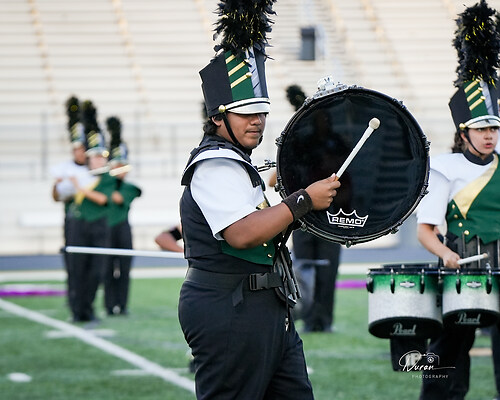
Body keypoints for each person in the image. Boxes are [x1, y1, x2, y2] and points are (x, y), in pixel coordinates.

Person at [177, 1, 340, 398]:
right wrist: (302, 200)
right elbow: (242, 234)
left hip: (265, 304)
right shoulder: (214, 164)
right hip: (229, 306)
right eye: (245, 112)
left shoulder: (237, 162)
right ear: (218, 116)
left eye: (261, 112)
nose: (257, 121)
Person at [416, 2, 500, 398]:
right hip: (460, 268)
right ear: (463, 132)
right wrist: (446, 255)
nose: (489, 135)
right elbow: (425, 231)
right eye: (481, 129)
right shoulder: (444, 168)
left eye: (494, 128)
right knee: (449, 354)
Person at [285, 84, 342, 333]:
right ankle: (306, 316)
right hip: (303, 214)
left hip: (332, 212)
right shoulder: (300, 142)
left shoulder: (337, 143)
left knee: (328, 269)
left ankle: (324, 320)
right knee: (303, 268)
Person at [67, 100, 117, 322]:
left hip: (99, 226)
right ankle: (78, 311)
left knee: (96, 271)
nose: (99, 160)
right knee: (77, 270)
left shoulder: (106, 178)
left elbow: (102, 199)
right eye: (95, 156)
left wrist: (79, 187)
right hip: (79, 225)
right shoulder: (80, 173)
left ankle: (88, 308)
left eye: (102, 156)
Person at [51, 96, 92, 317]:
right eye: (77, 149)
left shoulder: (93, 169)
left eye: (83, 149)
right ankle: (74, 302)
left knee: (91, 266)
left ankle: (87, 304)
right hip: (73, 220)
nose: (80, 153)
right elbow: (56, 196)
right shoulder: (64, 169)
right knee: (74, 264)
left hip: (92, 220)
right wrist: (61, 186)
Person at [104, 116, 142, 316]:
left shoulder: (129, 187)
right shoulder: (103, 185)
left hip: (122, 229)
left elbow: (119, 198)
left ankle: (123, 305)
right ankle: (110, 305)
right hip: (106, 230)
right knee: (107, 268)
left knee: (124, 269)